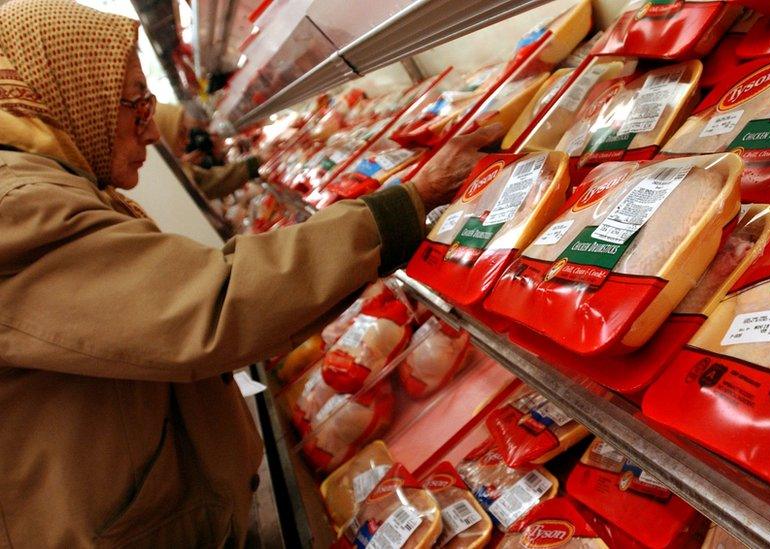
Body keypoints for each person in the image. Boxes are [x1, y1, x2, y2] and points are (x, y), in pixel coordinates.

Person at [0, 0, 501, 546]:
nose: (150, 134)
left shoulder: (47, 183)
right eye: (137, 106)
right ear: (64, 93)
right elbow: (211, 304)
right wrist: (409, 203)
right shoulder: (18, 207)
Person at [154, 102, 260, 199]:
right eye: (181, 133)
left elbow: (214, 180)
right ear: (165, 135)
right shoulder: (172, 178)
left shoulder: (181, 167)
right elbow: (215, 182)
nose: (187, 141)